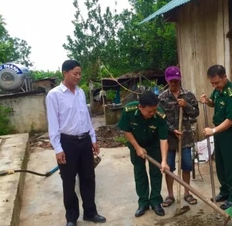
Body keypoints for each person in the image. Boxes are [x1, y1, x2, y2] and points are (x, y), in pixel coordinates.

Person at [45, 60, 106, 226]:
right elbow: (53, 124)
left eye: (80, 74)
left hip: (84, 140)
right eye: (75, 73)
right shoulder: (54, 95)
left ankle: (90, 213)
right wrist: (58, 148)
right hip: (67, 142)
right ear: (65, 73)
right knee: (69, 180)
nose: (78, 77)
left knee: (88, 178)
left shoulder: (80, 93)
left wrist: (93, 139)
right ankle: (71, 218)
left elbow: (87, 117)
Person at [117, 90, 169, 218]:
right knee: (140, 173)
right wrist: (137, 147)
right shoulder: (129, 110)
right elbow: (126, 130)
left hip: (154, 145)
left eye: (154, 110)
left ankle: (156, 201)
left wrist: (164, 160)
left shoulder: (160, 115)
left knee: (156, 173)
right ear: (140, 107)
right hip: (136, 144)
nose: (152, 113)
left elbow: (163, 139)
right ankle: (143, 203)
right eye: (149, 111)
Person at [200, 65, 232, 210]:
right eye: (212, 83)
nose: (214, 85)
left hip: (229, 133)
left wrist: (213, 130)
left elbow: (231, 120)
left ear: (224, 77)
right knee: (221, 164)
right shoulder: (218, 90)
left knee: (231, 166)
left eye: (217, 82)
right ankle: (225, 191)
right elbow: (214, 102)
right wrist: (207, 101)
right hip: (219, 132)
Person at [158, 66, 199, 207]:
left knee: (186, 165)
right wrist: (172, 129)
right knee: (168, 167)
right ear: (167, 80)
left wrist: (186, 105)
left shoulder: (188, 95)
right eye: (171, 81)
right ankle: (170, 195)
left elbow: (195, 113)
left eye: (176, 80)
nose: (174, 83)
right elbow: (160, 118)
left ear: (180, 79)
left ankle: (187, 193)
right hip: (169, 139)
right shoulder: (162, 98)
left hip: (186, 137)